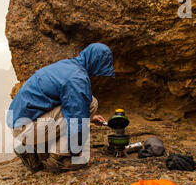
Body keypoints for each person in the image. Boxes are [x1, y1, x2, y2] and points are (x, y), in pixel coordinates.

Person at [6, 43, 115, 173]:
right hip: (27, 128)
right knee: (90, 104)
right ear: (96, 63)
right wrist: (76, 152)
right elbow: (76, 119)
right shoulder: (77, 79)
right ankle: (60, 158)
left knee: (84, 106)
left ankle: (32, 153)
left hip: (19, 124)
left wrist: (90, 117)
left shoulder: (68, 66)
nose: (99, 75)